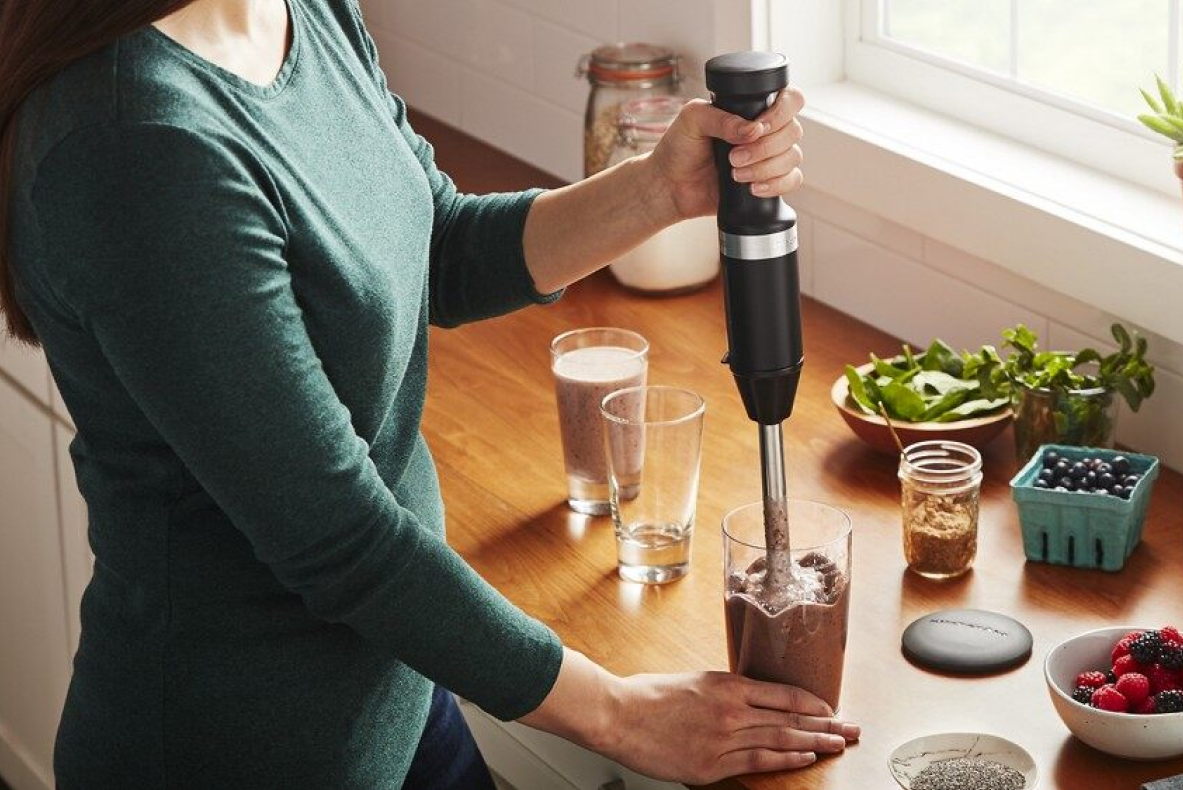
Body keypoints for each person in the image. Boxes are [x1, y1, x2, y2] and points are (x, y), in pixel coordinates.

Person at [0, 0, 859, 786]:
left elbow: (435, 246)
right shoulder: (133, 142)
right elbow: (336, 536)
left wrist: (659, 189)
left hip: (403, 691)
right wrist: (621, 715)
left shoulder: (298, 12)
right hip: (244, 747)